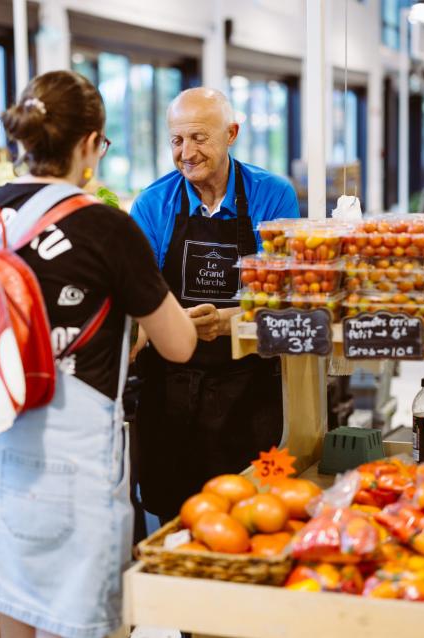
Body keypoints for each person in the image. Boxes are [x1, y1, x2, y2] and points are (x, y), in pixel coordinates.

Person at [0, 71, 197, 638]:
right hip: (70, 457)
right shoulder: (105, 227)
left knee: (14, 615)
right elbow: (179, 344)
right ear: (88, 144)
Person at [130, 87, 300, 520]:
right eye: (176, 140)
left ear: (232, 134)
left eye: (199, 138)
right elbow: (138, 292)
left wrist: (227, 321)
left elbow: (290, 295)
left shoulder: (273, 196)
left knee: (265, 507)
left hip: (255, 391)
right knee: (175, 514)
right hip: (170, 391)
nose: (187, 152)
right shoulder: (153, 203)